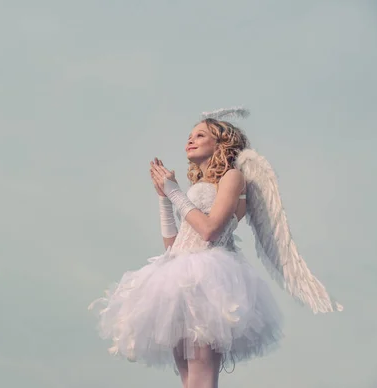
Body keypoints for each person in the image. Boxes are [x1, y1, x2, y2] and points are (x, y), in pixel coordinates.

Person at [88, 107, 342, 388]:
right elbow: (174, 245)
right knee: (188, 381)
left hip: (207, 281)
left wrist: (174, 191)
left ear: (221, 143)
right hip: (176, 279)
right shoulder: (198, 185)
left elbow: (210, 231)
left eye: (200, 134)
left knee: (201, 377)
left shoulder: (232, 177)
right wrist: (164, 198)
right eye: (189, 135)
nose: (190, 139)